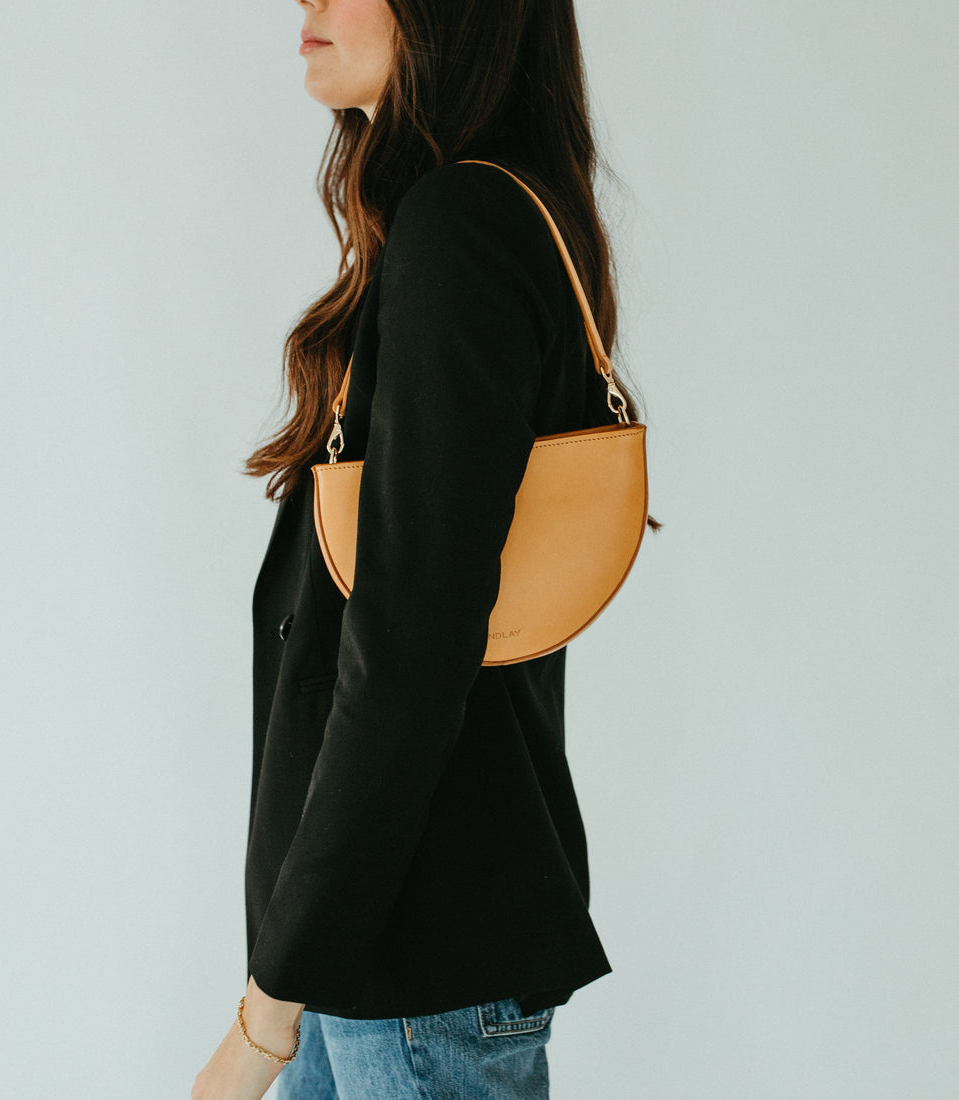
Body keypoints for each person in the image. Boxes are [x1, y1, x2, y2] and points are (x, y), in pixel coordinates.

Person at [192, 1, 659, 1097]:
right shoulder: (450, 223)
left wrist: (264, 1016)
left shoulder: (465, 226)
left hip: (405, 965)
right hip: (361, 953)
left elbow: (405, 649)